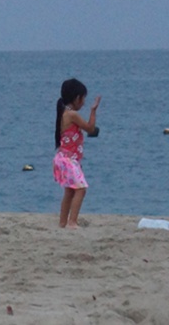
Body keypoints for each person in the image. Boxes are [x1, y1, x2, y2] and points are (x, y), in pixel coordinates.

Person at [53, 78, 101, 229]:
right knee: (81, 188)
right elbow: (90, 129)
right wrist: (93, 111)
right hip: (68, 159)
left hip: (64, 158)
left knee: (70, 190)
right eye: (83, 99)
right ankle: (72, 222)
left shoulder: (64, 113)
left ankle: (63, 223)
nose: (84, 103)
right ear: (76, 98)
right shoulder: (71, 114)